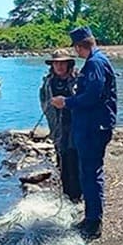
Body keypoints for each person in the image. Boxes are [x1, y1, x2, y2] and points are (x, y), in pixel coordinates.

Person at [50, 26, 116, 240]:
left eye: (75, 48)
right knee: (87, 173)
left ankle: (93, 222)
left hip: (93, 128)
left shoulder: (95, 63)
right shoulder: (95, 62)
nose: (76, 52)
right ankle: (90, 217)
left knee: (90, 174)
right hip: (90, 126)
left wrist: (66, 102)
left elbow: (93, 96)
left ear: (80, 47)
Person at [39, 49, 82, 203]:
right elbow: (43, 100)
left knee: (75, 160)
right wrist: (50, 110)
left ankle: (77, 196)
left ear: (69, 64)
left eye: (63, 63)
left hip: (76, 126)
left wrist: (67, 104)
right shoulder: (48, 82)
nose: (59, 66)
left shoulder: (78, 80)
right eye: (56, 63)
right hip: (58, 127)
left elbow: (84, 101)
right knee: (62, 160)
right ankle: (66, 196)